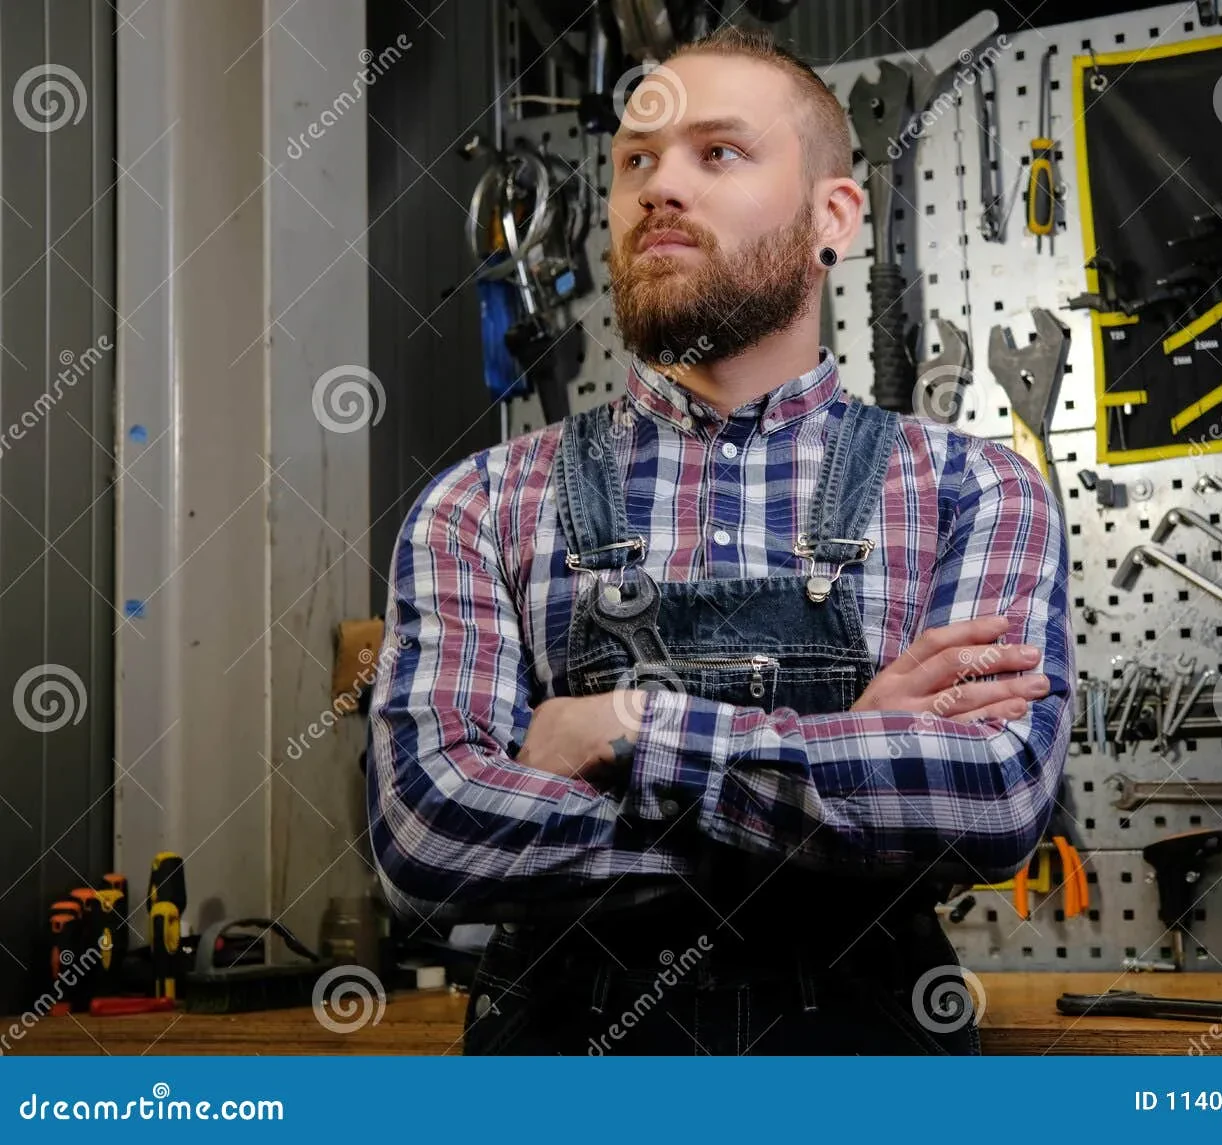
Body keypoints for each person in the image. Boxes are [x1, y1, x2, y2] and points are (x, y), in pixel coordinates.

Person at [367, 25, 1073, 1055]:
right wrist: (848, 801)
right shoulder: (479, 502)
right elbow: (434, 829)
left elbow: (993, 792)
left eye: (719, 153)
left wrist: (623, 729)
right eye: (635, 162)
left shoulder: (975, 487)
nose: (659, 187)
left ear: (834, 217)